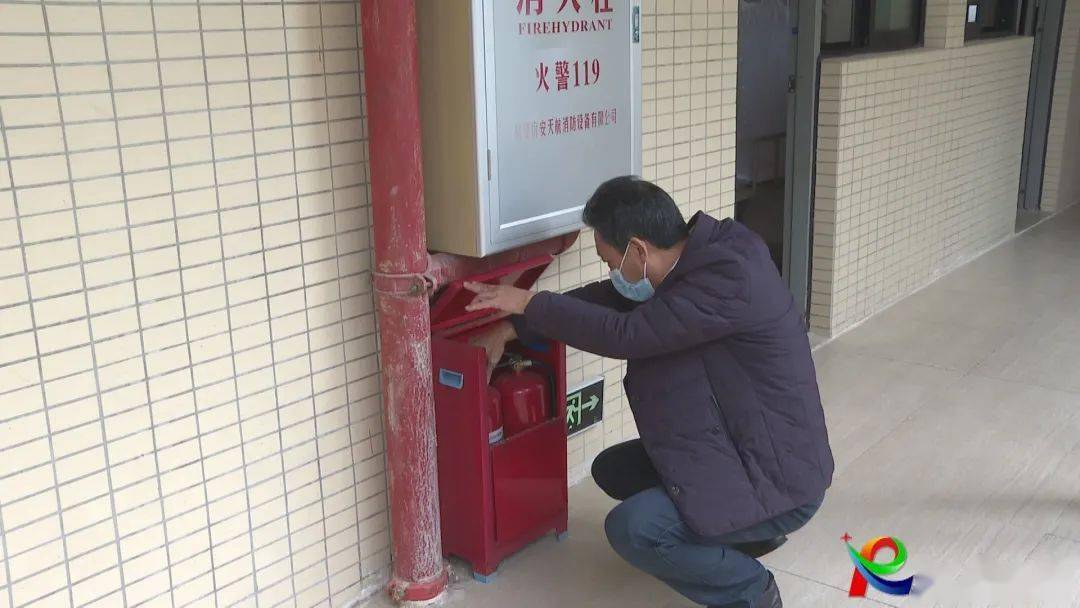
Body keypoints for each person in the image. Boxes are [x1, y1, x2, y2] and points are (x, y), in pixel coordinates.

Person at [465, 176, 834, 608]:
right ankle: (730, 537)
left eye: (609, 261)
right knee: (614, 469)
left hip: (780, 476)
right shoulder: (700, 261)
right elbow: (610, 300)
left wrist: (527, 303)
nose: (609, 273)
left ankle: (750, 590)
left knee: (634, 528)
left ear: (638, 250)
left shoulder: (726, 280)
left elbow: (627, 333)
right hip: (748, 444)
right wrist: (513, 327)